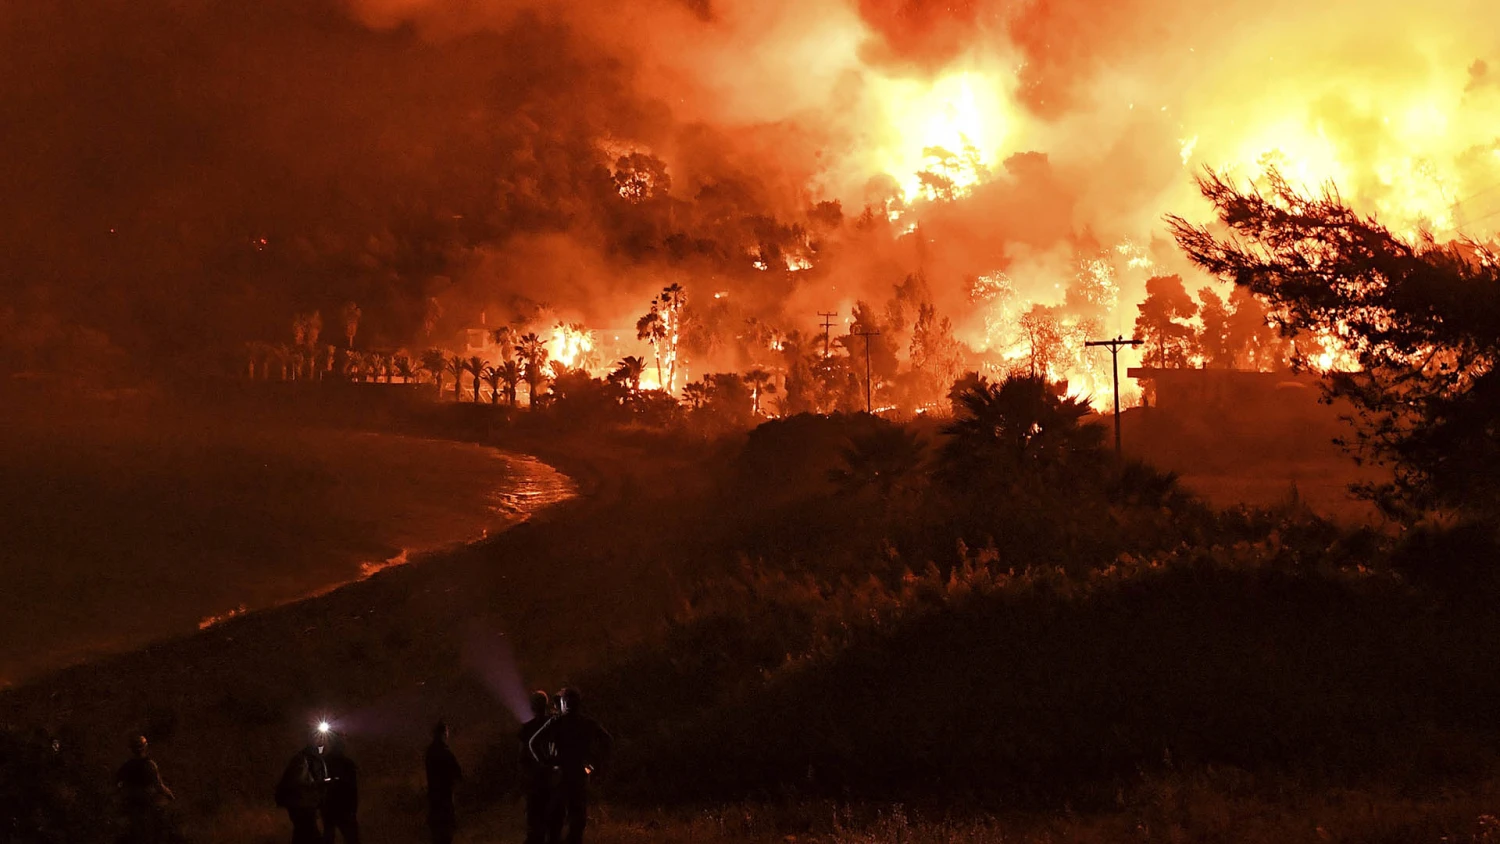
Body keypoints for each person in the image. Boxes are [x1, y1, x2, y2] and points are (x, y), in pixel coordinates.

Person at [527, 687, 611, 844]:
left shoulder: (557, 722)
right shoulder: (587, 722)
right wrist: (596, 763)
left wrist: (546, 763)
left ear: (563, 703)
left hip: (559, 774)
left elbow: (534, 742)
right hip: (578, 772)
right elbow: (607, 740)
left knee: (556, 817)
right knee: (577, 816)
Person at [116, 735, 174, 844]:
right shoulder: (150, 765)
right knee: (150, 831)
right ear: (145, 747)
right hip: (146, 803)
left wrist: (122, 792)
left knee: (133, 831)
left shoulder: (127, 765)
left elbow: (118, 782)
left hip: (131, 802)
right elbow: (159, 785)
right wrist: (170, 795)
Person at [276, 727, 330, 844]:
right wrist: (320, 784)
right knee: (311, 835)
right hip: (301, 805)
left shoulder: (316, 758)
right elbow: (297, 782)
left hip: (305, 805)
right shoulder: (303, 759)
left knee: (302, 836)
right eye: (319, 737)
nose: (322, 740)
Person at [517, 691, 556, 844]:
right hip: (552, 779)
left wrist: (522, 778)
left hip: (534, 780)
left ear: (532, 707)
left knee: (534, 821)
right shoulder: (554, 724)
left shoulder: (527, 728)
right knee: (552, 822)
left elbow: (521, 757)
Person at [425, 720, 463, 844]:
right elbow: (458, 773)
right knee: (446, 833)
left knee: (436, 834)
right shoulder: (446, 753)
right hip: (445, 797)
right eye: (446, 732)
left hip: (434, 798)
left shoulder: (430, 752)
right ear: (443, 734)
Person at [321, 733, 360, 844]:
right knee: (351, 838)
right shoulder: (347, 763)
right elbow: (352, 788)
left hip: (330, 806)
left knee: (329, 836)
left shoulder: (324, 762)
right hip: (343, 807)